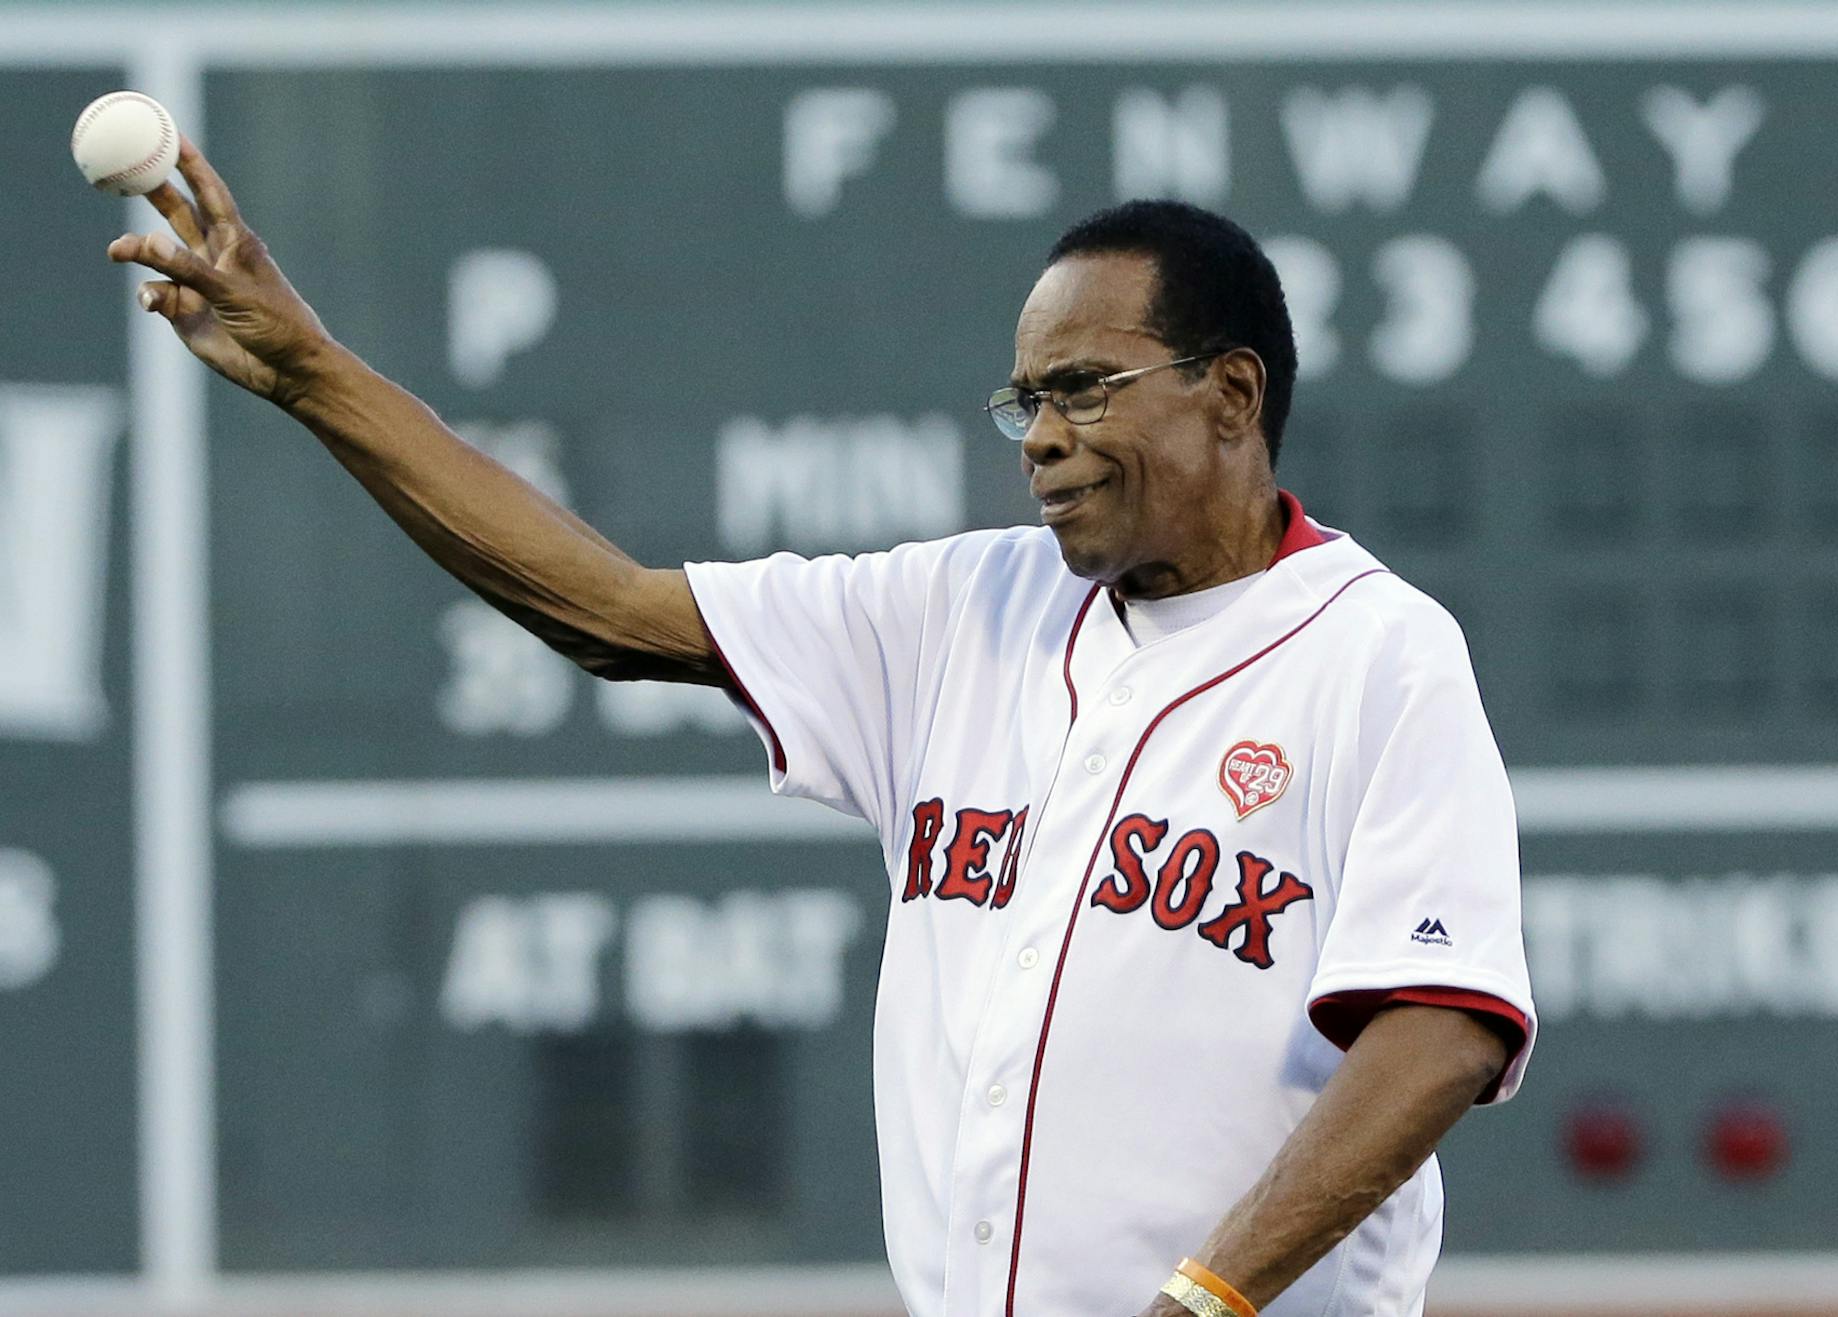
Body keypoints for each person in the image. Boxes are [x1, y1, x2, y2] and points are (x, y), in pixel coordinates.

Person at [111, 139, 1537, 1317]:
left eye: (1084, 389)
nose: (1039, 434)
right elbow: (607, 607)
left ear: (1232, 393)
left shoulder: (1379, 655)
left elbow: (1439, 1032)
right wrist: (313, 377)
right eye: (1024, 400)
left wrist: (1206, 1300)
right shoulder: (956, 610)